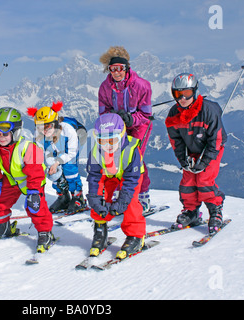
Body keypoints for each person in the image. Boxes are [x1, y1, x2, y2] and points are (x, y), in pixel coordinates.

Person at [0, 107, 55, 252]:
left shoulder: (27, 147)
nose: (0, 136)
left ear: (16, 131)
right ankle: (3, 226)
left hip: (32, 181)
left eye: (5, 131)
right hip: (11, 180)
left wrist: (33, 191)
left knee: (35, 205)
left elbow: (35, 171)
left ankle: (45, 232)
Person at [165, 73, 227, 235]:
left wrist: (205, 161)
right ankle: (191, 211)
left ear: (195, 92)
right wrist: (183, 160)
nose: (183, 98)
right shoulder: (174, 114)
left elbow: (216, 139)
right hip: (191, 151)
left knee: (204, 180)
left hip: (212, 149)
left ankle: (215, 211)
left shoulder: (208, 111)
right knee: (187, 182)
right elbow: (176, 141)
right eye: (178, 94)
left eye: (187, 93)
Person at [98, 46, 153, 213]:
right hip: (116, 127)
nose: (117, 73)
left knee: (134, 159)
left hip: (140, 126)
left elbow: (146, 114)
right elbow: (102, 114)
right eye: (113, 69)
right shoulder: (105, 87)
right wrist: (113, 117)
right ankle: (118, 194)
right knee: (114, 158)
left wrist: (131, 118)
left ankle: (142, 197)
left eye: (120, 68)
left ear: (126, 68)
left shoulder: (142, 85)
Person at [86, 113, 146, 259]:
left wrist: (122, 201)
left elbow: (131, 180)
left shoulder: (131, 149)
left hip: (130, 176)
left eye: (113, 141)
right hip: (108, 175)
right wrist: (95, 199)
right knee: (100, 198)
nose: (108, 146)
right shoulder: (96, 152)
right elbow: (94, 177)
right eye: (103, 141)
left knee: (130, 202)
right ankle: (100, 228)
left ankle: (135, 236)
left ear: (122, 135)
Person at [27, 102, 87, 214]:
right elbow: (43, 154)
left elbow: (72, 153)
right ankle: (63, 197)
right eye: (40, 127)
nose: (44, 130)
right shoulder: (39, 135)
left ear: (55, 123)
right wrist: (51, 166)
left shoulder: (68, 130)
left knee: (69, 168)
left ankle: (78, 197)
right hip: (54, 149)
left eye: (48, 126)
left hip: (72, 145)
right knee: (53, 173)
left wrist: (58, 162)